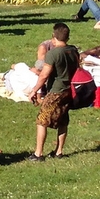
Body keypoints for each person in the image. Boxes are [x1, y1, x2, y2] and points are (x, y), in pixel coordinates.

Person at [33, 22, 79, 160]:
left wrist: (34, 90)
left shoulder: (53, 54)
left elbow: (44, 75)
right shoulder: (73, 50)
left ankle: (38, 154)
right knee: (63, 121)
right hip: (68, 90)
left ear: (53, 36)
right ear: (67, 37)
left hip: (55, 91)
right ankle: (59, 152)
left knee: (42, 121)